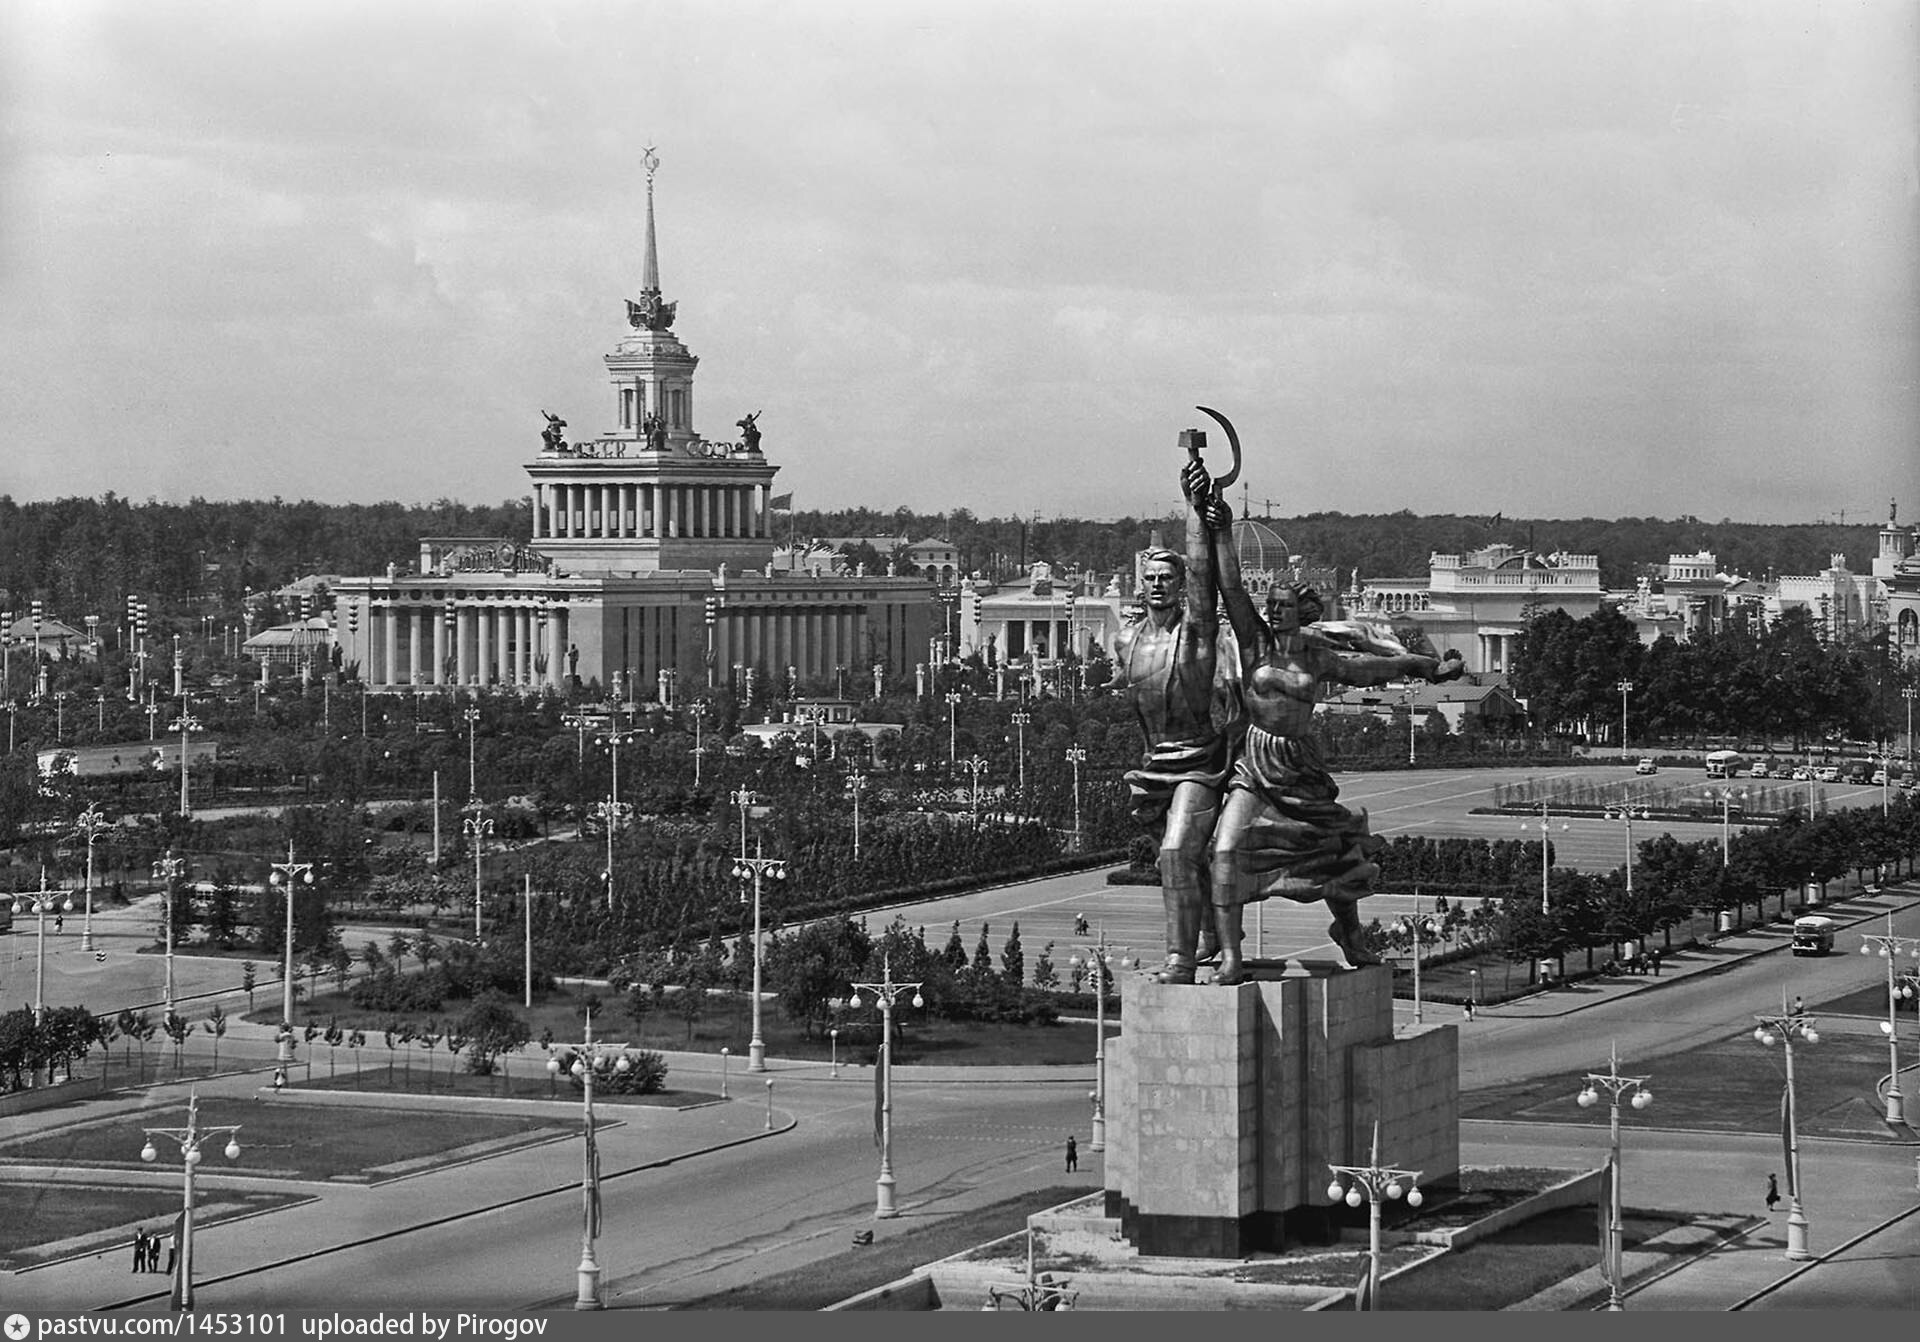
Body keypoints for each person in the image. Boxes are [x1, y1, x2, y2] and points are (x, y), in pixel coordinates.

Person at [1194, 476, 1462, 984]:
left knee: (1334, 851)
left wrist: (1426, 668)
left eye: (1283, 607)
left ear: (1303, 612)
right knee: (1226, 850)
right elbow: (1230, 589)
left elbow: (1372, 667)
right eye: (1270, 605)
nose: (1273, 613)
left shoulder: (1318, 656)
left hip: (1300, 766)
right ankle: (1230, 954)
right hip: (1255, 764)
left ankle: (1350, 935)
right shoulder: (1253, 645)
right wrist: (1223, 533)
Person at [1108, 452, 1238, 984]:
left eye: (1167, 577)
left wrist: (1194, 506)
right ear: (1140, 585)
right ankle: (1209, 936)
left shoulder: (1198, 634)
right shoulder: (1126, 639)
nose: (1158, 584)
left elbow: (1205, 574)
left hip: (1198, 761)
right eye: (1150, 577)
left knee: (1174, 853)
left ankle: (1179, 960)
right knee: (1191, 860)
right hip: (1153, 764)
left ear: (1180, 585)